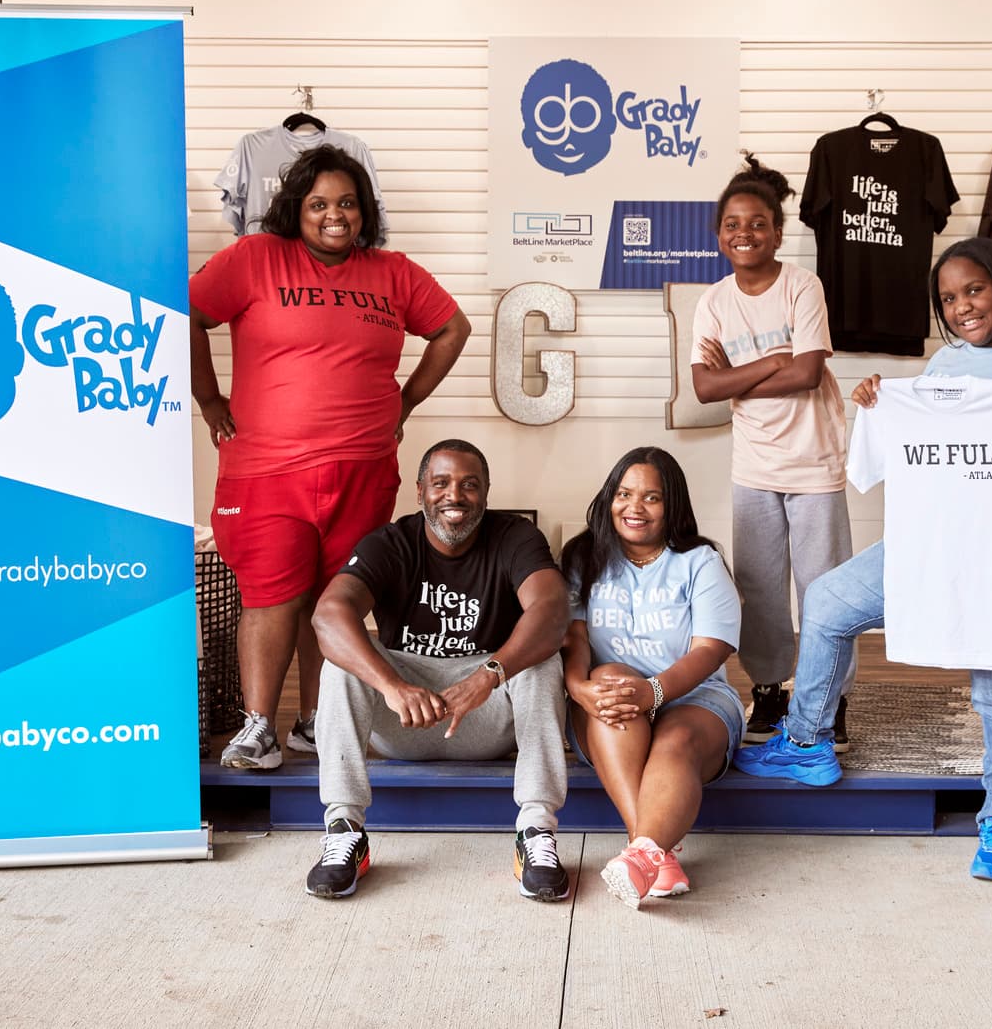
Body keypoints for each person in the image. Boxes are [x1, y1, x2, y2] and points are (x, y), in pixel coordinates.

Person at [735, 236, 992, 885]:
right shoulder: (937, 371)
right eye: (949, 298)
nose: (962, 308)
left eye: (974, 291)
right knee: (827, 602)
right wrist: (881, 406)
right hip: (933, 541)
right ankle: (807, 740)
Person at [190, 146, 470, 771]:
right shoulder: (255, 258)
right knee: (270, 595)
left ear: (365, 211)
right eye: (319, 204)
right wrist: (209, 399)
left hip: (363, 469)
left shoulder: (393, 272)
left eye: (347, 203)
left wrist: (405, 402)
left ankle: (316, 724)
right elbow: (189, 315)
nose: (334, 216)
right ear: (298, 209)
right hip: (266, 471)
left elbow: (454, 328)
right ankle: (258, 728)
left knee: (333, 598)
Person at [305, 439, 572, 901]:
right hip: (405, 715)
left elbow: (552, 612)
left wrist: (488, 674)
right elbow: (328, 615)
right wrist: (391, 685)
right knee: (342, 661)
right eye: (441, 483)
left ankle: (535, 831)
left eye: (470, 485)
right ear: (420, 491)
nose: (455, 495)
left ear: (486, 494)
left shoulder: (514, 537)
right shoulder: (390, 542)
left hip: (486, 716)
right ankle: (344, 829)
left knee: (541, 656)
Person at [690, 156, 855, 748]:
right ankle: (768, 690)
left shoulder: (801, 286)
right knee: (759, 587)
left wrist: (738, 374)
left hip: (814, 462)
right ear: (719, 236)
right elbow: (704, 388)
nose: (745, 234)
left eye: (758, 223)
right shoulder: (712, 302)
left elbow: (808, 373)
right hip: (753, 465)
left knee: (823, 590)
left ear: (778, 233)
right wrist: (768, 363)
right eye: (733, 224)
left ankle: (828, 698)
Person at [560, 447, 745, 910]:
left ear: (672, 506)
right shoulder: (584, 556)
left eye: (651, 498)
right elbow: (575, 638)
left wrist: (655, 692)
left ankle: (643, 852)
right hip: (610, 704)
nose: (634, 508)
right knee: (611, 681)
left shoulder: (700, 561)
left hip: (696, 698)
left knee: (675, 739)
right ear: (609, 499)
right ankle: (651, 853)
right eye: (623, 494)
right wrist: (578, 688)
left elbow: (711, 649)